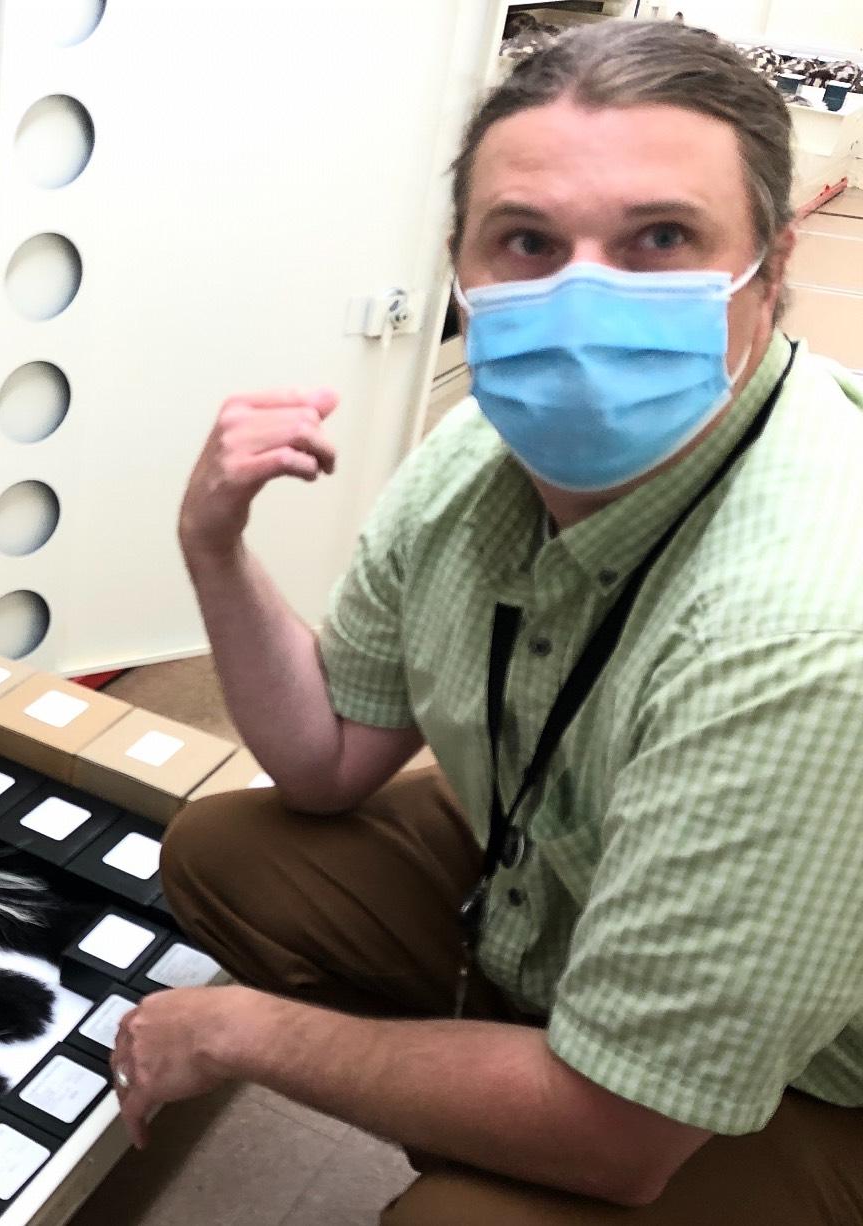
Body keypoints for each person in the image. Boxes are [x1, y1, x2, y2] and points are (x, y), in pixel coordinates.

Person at [112, 20, 863, 1224]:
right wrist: (214, 544)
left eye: (660, 238)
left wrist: (247, 1031)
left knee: (461, 1217)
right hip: (575, 866)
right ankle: (515, 1066)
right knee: (227, 851)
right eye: (526, 241)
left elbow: (622, 1138)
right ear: (463, 268)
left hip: (826, 1077)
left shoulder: (805, 633)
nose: (581, 297)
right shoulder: (477, 448)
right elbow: (323, 762)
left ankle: (525, 1107)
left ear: (769, 269)